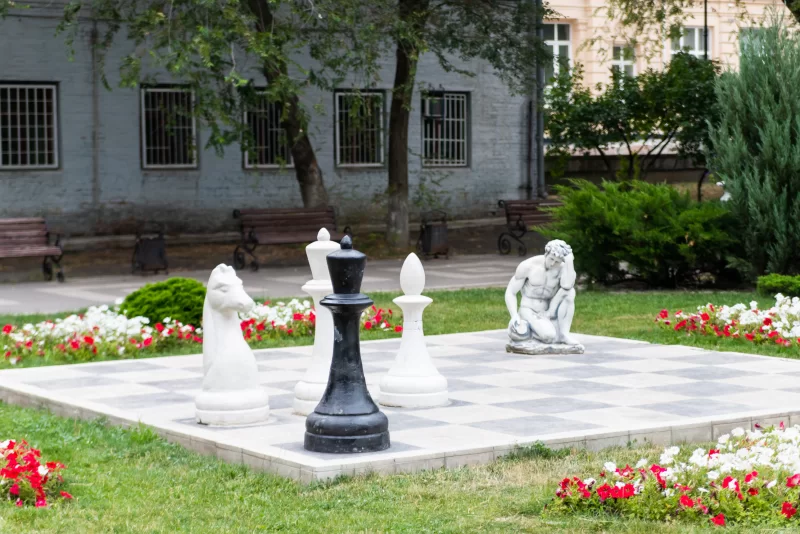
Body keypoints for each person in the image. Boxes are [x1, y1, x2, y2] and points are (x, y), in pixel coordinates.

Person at [504, 239, 578, 346]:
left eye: (557, 261)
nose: (553, 264)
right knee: (549, 336)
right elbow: (510, 292)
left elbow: (567, 286)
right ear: (546, 254)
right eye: (551, 259)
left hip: (548, 311)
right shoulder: (528, 266)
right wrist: (514, 315)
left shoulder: (562, 268)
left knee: (570, 292)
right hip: (529, 309)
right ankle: (529, 330)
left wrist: (569, 261)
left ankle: (563, 334)